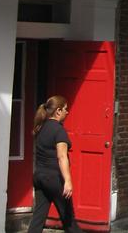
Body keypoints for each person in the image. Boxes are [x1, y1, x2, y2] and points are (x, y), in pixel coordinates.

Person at [27, 95, 82, 233]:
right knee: (69, 219)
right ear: (58, 111)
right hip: (54, 179)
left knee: (38, 218)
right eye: (65, 109)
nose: (67, 112)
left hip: (39, 177)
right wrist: (68, 181)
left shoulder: (41, 127)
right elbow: (62, 157)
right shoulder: (59, 130)